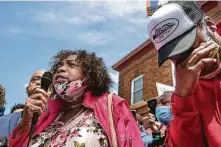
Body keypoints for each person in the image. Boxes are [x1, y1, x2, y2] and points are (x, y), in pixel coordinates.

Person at [9, 49, 144, 147]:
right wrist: (25, 123)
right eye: (59, 66)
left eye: (71, 65)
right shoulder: (46, 113)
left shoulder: (111, 105)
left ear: (89, 75)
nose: (61, 69)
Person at [147, 1, 221, 147]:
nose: (189, 63)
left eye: (189, 49)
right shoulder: (187, 94)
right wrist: (182, 97)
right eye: (177, 59)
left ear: (209, 25)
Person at [0, 69, 46, 137]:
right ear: (27, 89)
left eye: (46, 81)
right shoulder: (3, 121)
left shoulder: (62, 122)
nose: (39, 82)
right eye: (35, 79)